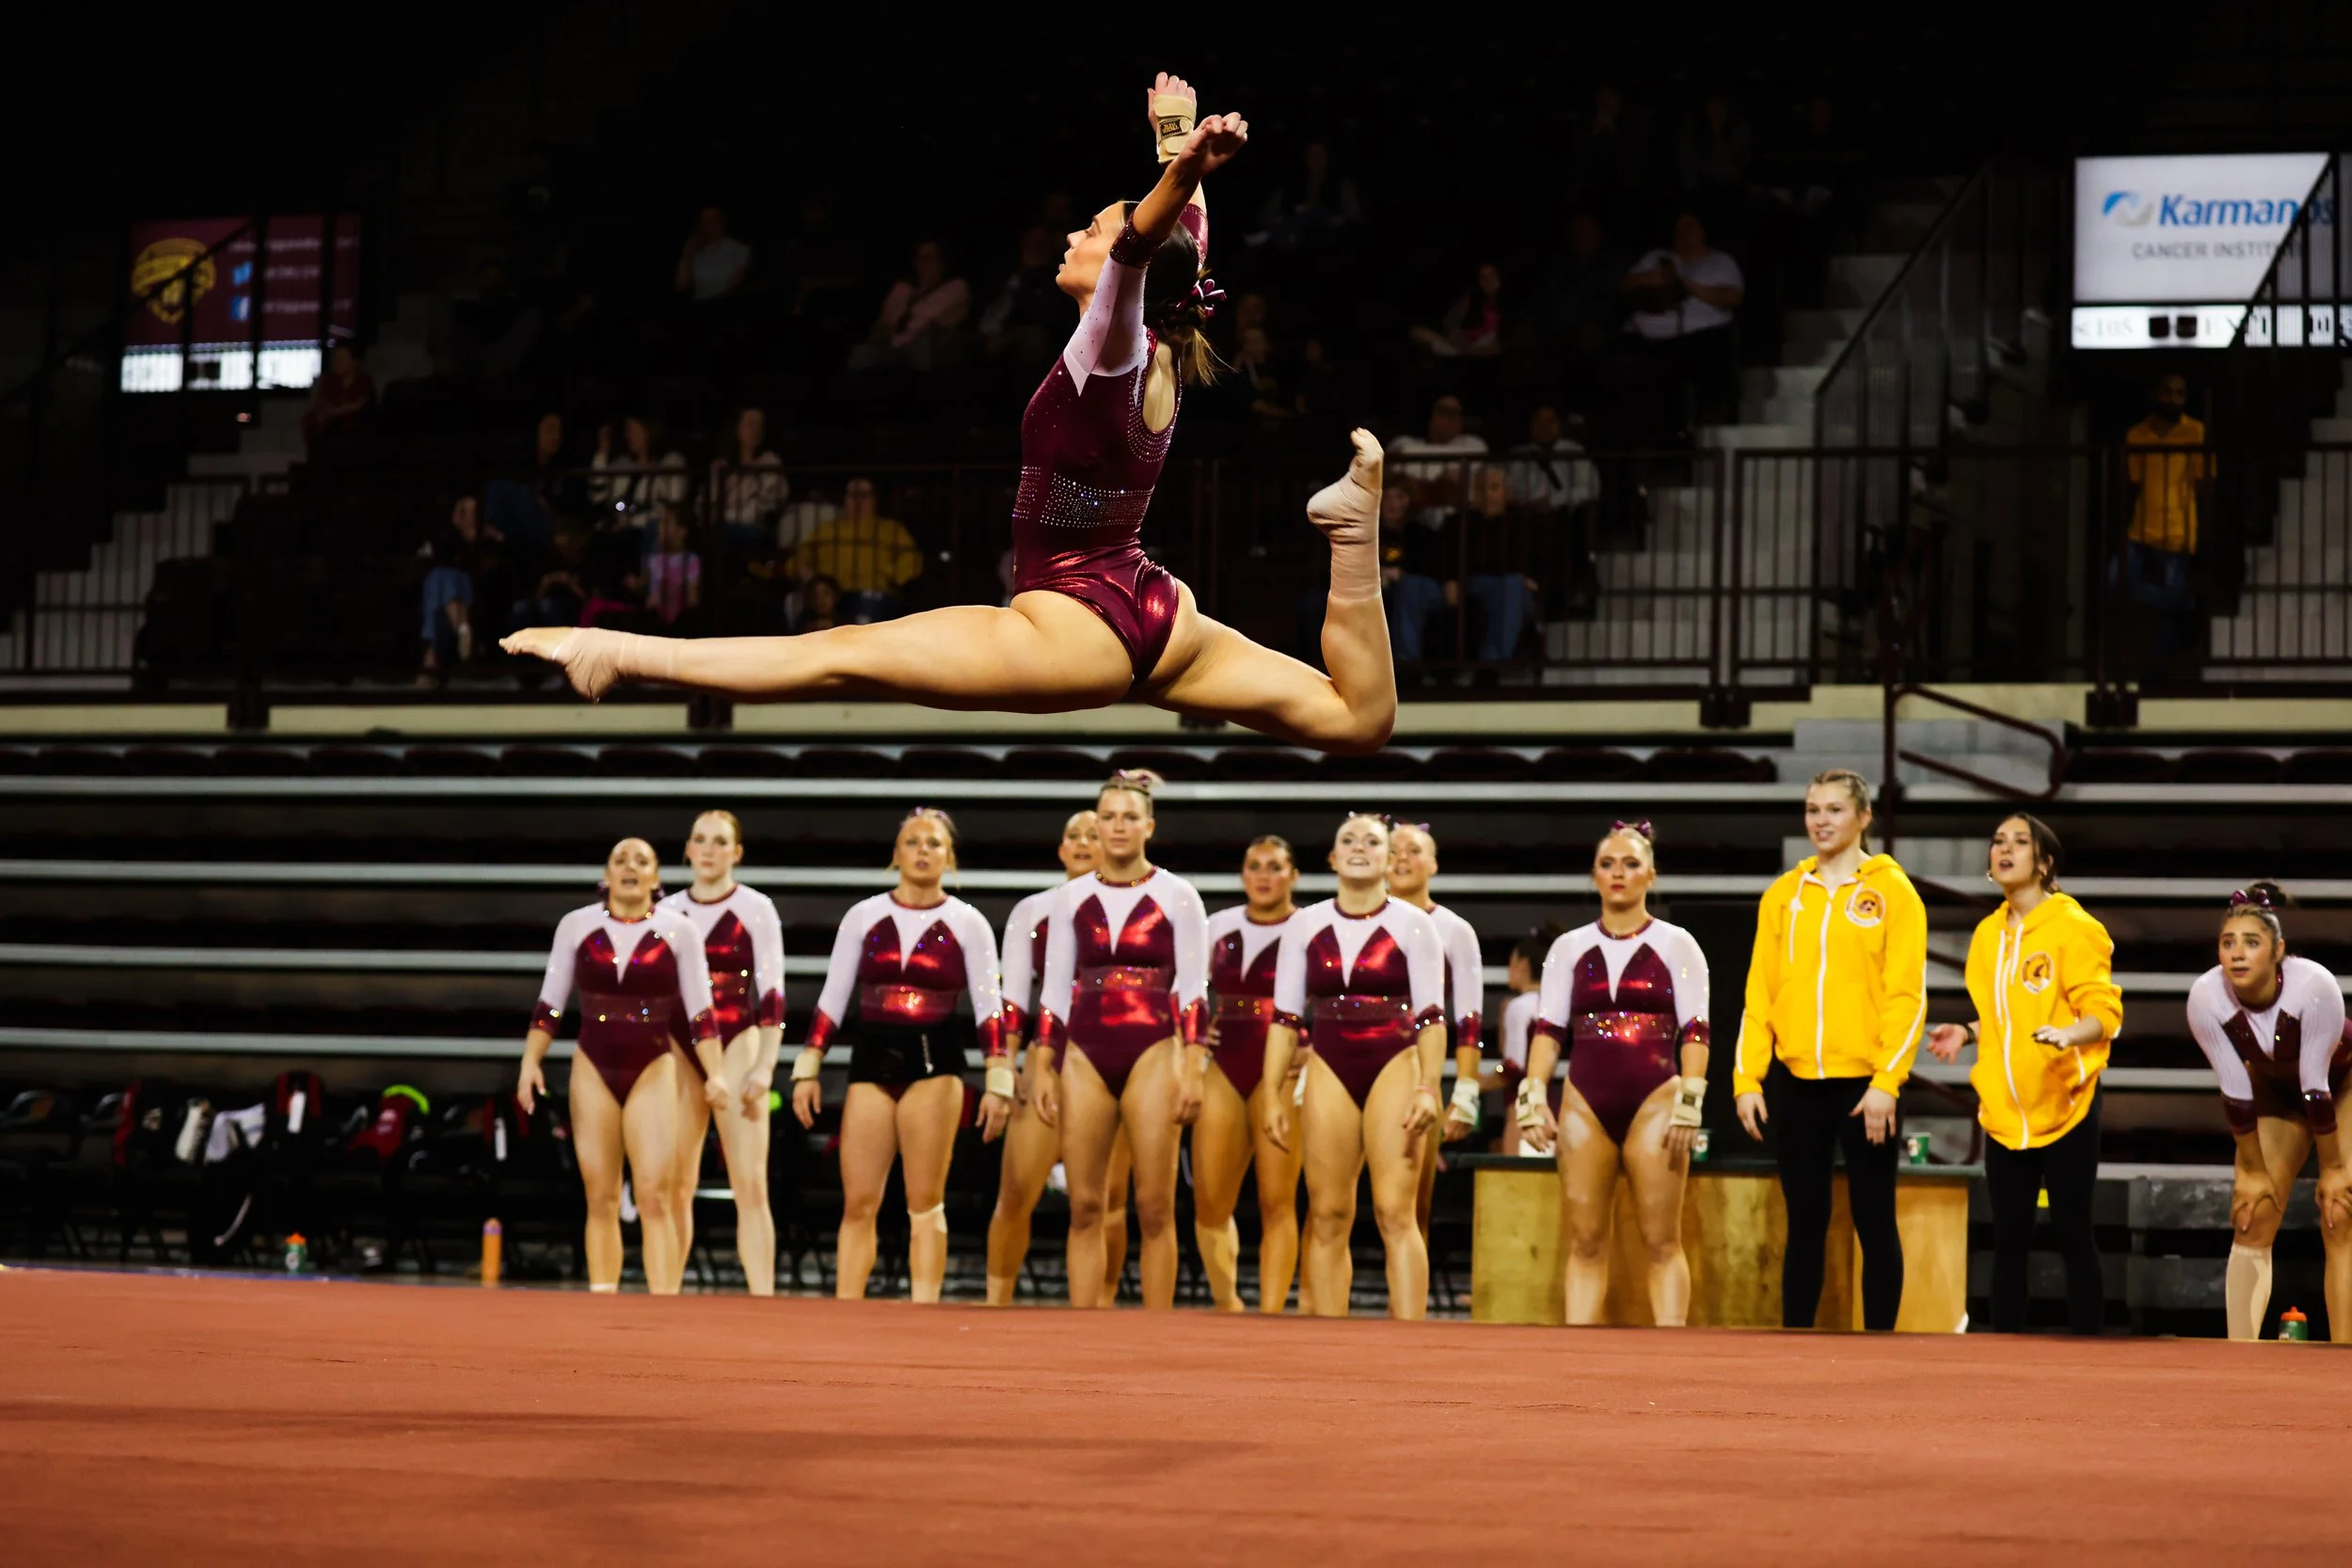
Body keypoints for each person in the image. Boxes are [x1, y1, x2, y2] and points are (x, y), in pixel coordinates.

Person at [504, 72, 1399, 759]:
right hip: (1158, 608)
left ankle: (617, 649)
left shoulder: (1110, 347)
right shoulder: (1167, 334)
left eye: (1084, 231)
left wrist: (1179, 161)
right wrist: (1178, 145)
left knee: (839, 653)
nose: (1072, 239)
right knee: (1358, 720)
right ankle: (1352, 539)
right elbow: (1183, 240)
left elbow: (1143, 244)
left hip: (1071, 622)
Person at [788, 809, 1011, 1304]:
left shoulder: (968, 922)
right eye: (913, 842)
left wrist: (999, 1081)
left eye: (934, 843)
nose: (923, 850)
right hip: (871, 1061)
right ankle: (846, 1312)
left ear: (948, 857)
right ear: (896, 854)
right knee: (858, 1203)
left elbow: (989, 1007)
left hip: (935, 1065)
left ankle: (924, 1313)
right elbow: (832, 997)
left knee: (924, 1203)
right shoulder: (863, 916)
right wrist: (808, 1068)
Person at [1734, 769, 1926, 1332]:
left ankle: (1882, 1348)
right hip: (1795, 1081)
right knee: (1805, 1221)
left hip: (1866, 1084)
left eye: (1835, 809)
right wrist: (1747, 1079)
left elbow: (1906, 996)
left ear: (1864, 817)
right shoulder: (1782, 896)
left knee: (1874, 1219)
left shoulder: (1893, 892)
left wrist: (1887, 1083)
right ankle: (1796, 1342)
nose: (1821, 819)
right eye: (1813, 808)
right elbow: (1758, 995)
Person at [1923, 815, 2119, 1336]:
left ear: (2045, 862)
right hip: (2006, 1113)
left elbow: (2104, 1013)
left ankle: (2091, 1355)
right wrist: (1966, 1031)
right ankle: (2000, 1360)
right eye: (1997, 842)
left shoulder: (2075, 928)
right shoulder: (1987, 934)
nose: (2004, 849)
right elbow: (2003, 1017)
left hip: (2066, 1102)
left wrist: (2069, 1036)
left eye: (2019, 842)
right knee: (2009, 1237)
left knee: (2074, 1233)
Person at [1030, 769, 1210, 1310]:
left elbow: (1192, 988)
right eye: (1107, 816)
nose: (1117, 826)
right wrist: (1043, 1063)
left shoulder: (1179, 895)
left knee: (1153, 1205)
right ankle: (1085, 1329)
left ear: (1148, 826)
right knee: (1086, 1203)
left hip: (1154, 1049)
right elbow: (1056, 987)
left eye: (1129, 817)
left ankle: (1156, 1331)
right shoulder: (1070, 898)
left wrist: (1194, 1067)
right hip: (1084, 1051)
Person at [1518, 822, 1711, 1325]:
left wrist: (1691, 1101)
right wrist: (1532, 1092)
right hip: (1585, 1100)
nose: (1618, 873)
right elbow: (1548, 1030)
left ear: (1651, 873)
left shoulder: (1678, 944)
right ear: (1594, 875)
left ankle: (1670, 1361)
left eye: (1630, 864)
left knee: (1662, 1240)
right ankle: (1581, 1364)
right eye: (1608, 864)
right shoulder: (1568, 947)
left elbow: (1696, 1030)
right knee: (1584, 1241)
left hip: (1657, 1100)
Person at [516, 838, 728, 1294]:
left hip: (653, 1065)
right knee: (601, 1197)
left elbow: (701, 1013)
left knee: (654, 1196)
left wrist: (717, 1073)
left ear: (655, 878)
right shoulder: (575, 925)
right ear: (606, 875)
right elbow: (549, 1005)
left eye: (642, 861)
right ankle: (603, 1306)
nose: (630, 866)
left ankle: (663, 1309)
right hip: (593, 1064)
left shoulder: (681, 930)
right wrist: (530, 1062)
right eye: (620, 860)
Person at [1262, 814, 1446, 1319]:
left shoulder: (1415, 925)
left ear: (1391, 858)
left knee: (1394, 1211)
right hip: (1329, 1063)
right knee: (1327, 1213)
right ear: (1332, 858)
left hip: (1395, 1061)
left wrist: (1429, 1087)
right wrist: (1272, 1092)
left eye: (1372, 841)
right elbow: (1284, 1016)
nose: (1359, 848)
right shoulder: (1304, 924)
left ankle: (1410, 1340)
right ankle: (1330, 1343)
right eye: (1348, 840)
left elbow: (1432, 1017)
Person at [2182, 882, 2351, 1341]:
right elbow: (2236, 1091)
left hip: (2342, 1085)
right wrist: (2253, 1171)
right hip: (2276, 1092)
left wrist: (2333, 1168)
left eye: (2251, 943)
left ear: (2279, 951)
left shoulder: (2313, 987)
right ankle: (2241, 1357)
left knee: (2340, 1211)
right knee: (2252, 1211)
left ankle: (2345, 1355)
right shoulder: (2205, 997)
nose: (2237, 954)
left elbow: (2316, 1085)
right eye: (2228, 943)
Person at [986, 810, 1135, 1306]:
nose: (1085, 842)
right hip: (1046, 1058)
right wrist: (1004, 1069)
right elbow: (1013, 1002)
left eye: (1095, 834)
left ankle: (1103, 1308)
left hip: (1114, 1056)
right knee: (1014, 1194)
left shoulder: (1137, 904)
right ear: (1061, 848)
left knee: (1107, 1203)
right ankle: (996, 1302)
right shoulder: (1033, 911)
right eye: (1074, 834)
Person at [656, 811, 786, 1296]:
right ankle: (664, 1300)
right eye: (700, 840)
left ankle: (763, 1299)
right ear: (687, 849)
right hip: (678, 1045)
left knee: (750, 1184)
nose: (709, 850)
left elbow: (773, 996)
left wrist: (765, 1066)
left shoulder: (756, 908)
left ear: (737, 852)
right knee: (673, 1186)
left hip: (738, 1039)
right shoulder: (664, 911)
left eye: (720, 842)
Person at [1194, 834, 1306, 1311]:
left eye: (1275, 866)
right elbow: (1188, 992)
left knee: (1276, 1199)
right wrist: (1198, 1034)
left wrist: (1315, 1046)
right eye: (1254, 866)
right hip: (1225, 1062)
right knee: (1211, 1199)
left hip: (1282, 1067)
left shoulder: (1311, 925)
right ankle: (1227, 1305)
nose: (1264, 875)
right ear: (1243, 874)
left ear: (1293, 876)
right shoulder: (1216, 925)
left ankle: (1273, 1311)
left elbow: (1333, 993)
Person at [1384, 823, 1486, 1238]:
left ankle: (1405, 1305)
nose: (1402, 858)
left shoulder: (1454, 930)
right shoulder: (1354, 919)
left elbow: (1469, 1020)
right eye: (1393, 850)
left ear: (1434, 864)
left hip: (1416, 1077)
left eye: (1413, 850)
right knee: (1328, 1207)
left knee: (1410, 1211)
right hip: (1345, 1066)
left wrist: (1465, 1090)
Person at [1620, 212, 1744, 438]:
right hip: (1648, 337)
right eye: (1679, 227)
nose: (1684, 232)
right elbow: (1627, 283)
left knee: (1708, 361)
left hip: (1701, 336)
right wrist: (1655, 278)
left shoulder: (1720, 261)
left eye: (1690, 225)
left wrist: (1687, 285)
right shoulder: (1657, 256)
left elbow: (1732, 297)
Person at [2119, 372, 2209, 659]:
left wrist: (2202, 532)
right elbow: (2134, 481)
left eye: (2180, 393)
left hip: (2177, 530)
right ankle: (2185, 604)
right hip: (2142, 527)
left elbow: (2204, 481)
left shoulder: (2195, 432)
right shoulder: (2136, 434)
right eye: (2168, 392)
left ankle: (2158, 675)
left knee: (2166, 619)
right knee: (2117, 582)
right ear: (2156, 394)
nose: (2174, 398)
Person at [789, 477, 924, 623]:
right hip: (831, 596)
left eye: (864, 496)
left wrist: (888, 573)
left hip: (870, 594)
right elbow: (800, 558)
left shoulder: (890, 530)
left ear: (874, 500)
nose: (858, 501)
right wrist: (810, 578)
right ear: (845, 499)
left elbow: (911, 560)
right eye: (853, 496)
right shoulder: (828, 530)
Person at [849, 240, 972, 372]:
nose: (923, 263)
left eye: (929, 258)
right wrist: (879, 334)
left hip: (922, 345)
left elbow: (957, 313)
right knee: (861, 354)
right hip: (891, 345)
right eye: (920, 258)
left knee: (921, 351)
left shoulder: (955, 287)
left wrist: (929, 330)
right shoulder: (901, 288)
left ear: (942, 263)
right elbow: (884, 321)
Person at [419, 495, 494, 684]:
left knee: (443, 578)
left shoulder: (488, 535)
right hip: (453, 594)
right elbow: (442, 556)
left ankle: (431, 655)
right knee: (440, 576)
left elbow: (482, 567)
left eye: (473, 512)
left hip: (471, 588)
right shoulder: (449, 537)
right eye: (464, 512)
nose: (469, 516)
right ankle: (462, 628)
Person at [1495, 928, 1556, 1155]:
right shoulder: (1551, 1006)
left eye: (1510, 963)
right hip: (1549, 1111)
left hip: (1522, 1116)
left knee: (1516, 1187)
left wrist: (1473, 1083)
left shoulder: (1519, 1006)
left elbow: (1512, 1068)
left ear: (1523, 963)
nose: (1509, 971)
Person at [1390, 393, 1487, 524]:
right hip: (1409, 521)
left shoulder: (1474, 445)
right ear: (1431, 417)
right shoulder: (1404, 443)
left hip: (1458, 522)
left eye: (1456, 413)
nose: (1452, 418)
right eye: (1445, 412)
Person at [712, 406, 788, 552]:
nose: (756, 430)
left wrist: (728, 516)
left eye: (760, 425)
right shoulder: (721, 466)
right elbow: (708, 501)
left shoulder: (769, 461)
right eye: (750, 424)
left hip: (752, 528)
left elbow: (766, 503)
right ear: (737, 429)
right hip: (719, 526)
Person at [590, 414, 687, 515]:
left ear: (649, 431)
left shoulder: (670, 463)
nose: (629, 436)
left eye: (634, 430)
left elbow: (673, 502)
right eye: (627, 430)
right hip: (618, 529)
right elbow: (598, 497)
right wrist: (602, 454)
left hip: (649, 529)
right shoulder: (620, 464)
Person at [1407, 263, 1503, 357]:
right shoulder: (1472, 300)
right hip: (1462, 346)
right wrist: (1457, 336)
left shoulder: (1507, 304)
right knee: (1416, 332)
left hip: (1487, 349)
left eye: (1492, 275)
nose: (1488, 281)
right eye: (1483, 277)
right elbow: (1449, 324)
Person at [301, 343, 373, 459]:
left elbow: (361, 404)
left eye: (342, 358)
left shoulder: (363, 380)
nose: (337, 362)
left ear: (354, 362)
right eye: (335, 358)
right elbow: (322, 402)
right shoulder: (329, 381)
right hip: (331, 426)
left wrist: (337, 412)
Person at [643, 505, 702, 628]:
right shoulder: (652, 558)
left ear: (682, 531)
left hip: (677, 623)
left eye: (666, 523)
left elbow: (692, 600)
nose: (660, 529)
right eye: (660, 523)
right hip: (651, 619)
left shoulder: (690, 561)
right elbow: (644, 587)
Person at [675, 206, 750, 303]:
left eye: (714, 219)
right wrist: (687, 255)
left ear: (723, 221)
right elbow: (681, 285)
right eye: (705, 221)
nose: (710, 224)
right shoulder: (697, 251)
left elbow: (737, 286)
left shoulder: (739, 249)